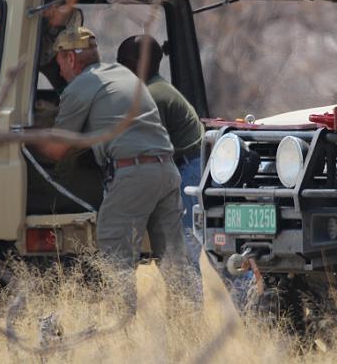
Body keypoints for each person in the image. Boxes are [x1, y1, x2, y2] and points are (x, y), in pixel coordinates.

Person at [35, 26, 197, 314]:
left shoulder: (80, 87)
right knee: (174, 261)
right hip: (166, 172)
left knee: (115, 256)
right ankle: (191, 327)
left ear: (71, 58)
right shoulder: (125, 76)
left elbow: (57, 150)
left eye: (58, 59)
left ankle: (120, 333)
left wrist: (22, 138)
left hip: (132, 174)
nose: (57, 67)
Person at [117, 34, 252, 308]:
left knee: (186, 252)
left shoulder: (151, 96)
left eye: (123, 63)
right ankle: (253, 309)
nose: (119, 70)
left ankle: (193, 321)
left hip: (187, 173)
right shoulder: (158, 89)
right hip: (196, 170)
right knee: (217, 250)